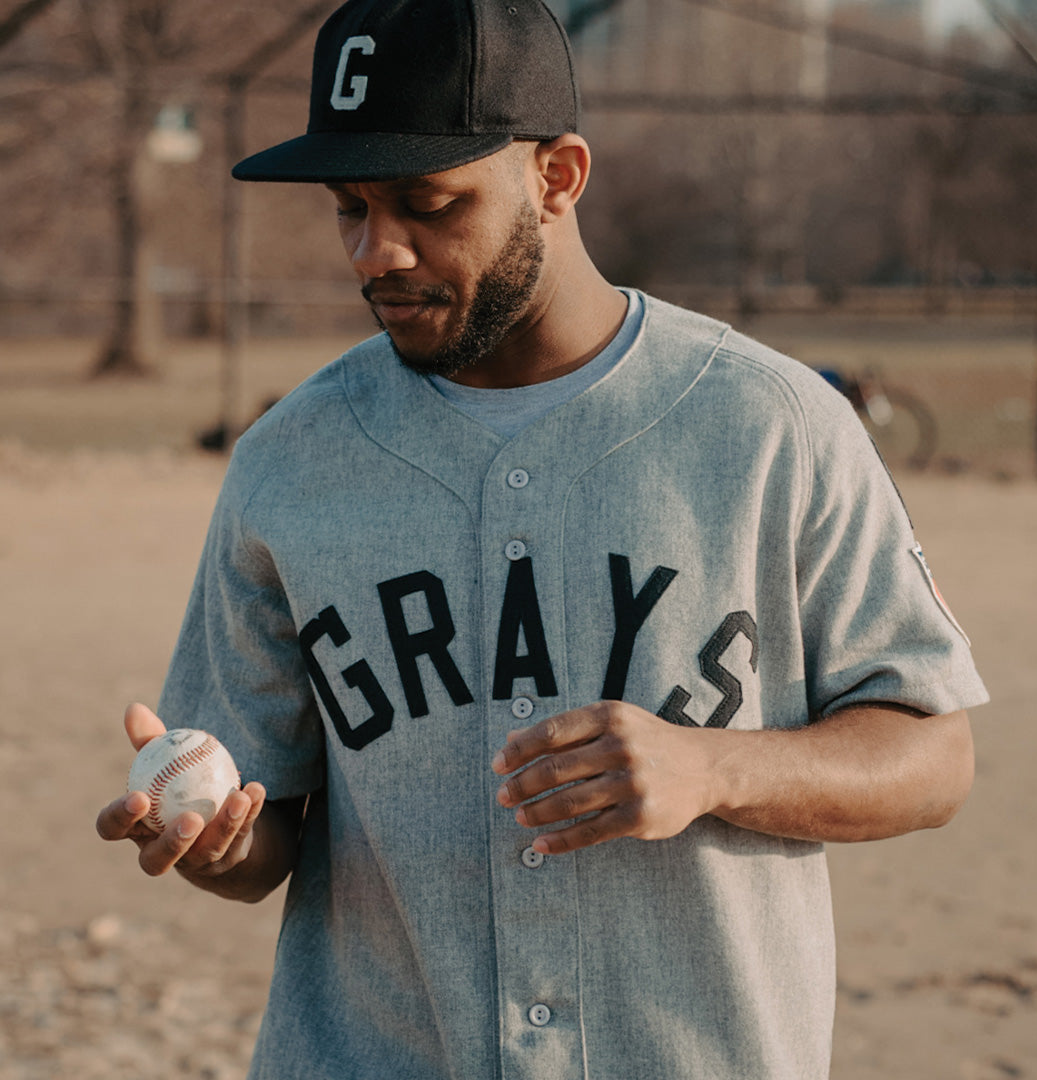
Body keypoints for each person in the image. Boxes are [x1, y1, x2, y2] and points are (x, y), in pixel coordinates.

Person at [96, 1, 988, 1077]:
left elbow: (934, 758)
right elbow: (263, 836)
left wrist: (714, 766)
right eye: (349, 207)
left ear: (559, 177)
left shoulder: (769, 425)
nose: (377, 251)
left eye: (429, 204)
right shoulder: (286, 463)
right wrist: (216, 844)